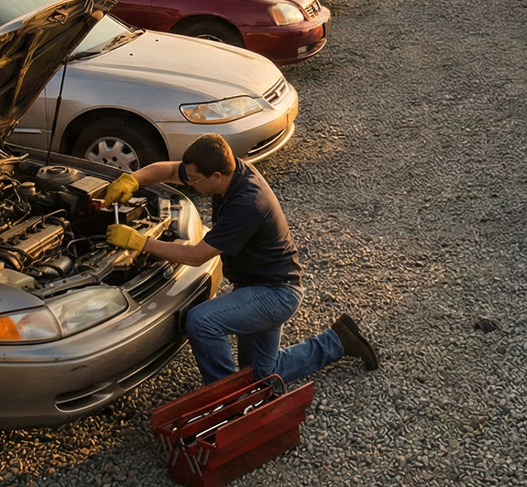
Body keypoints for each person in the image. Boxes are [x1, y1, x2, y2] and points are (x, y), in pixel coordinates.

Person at [98, 134, 379, 384]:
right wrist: (134, 179)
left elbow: (197, 256)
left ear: (217, 175)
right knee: (263, 375)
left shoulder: (247, 204)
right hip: (259, 286)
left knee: (201, 321)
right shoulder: (230, 171)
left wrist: (141, 242)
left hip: (276, 294)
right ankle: (339, 341)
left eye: (195, 180)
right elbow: (172, 170)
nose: (191, 183)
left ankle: (228, 397)